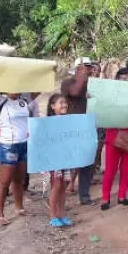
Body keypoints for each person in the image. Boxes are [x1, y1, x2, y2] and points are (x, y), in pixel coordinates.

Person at [0, 58, 36, 227]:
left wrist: (50, 71)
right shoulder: (0, 101)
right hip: (8, 146)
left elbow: (41, 87)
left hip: (23, 145)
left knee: (19, 180)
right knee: (3, 182)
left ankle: (19, 207)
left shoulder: (24, 100)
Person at [100, 68, 128, 210]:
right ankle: (105, 198)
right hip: (114, 136)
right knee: (110, 169)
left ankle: (122, 196)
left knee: (126, 169)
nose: (125, 81)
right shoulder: (110, 95)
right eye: (122, 78)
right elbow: (100, 106)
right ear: (116, 80)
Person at [61, 57, 97, 206]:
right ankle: (60, 195)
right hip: (71, 127)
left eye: (90, 67)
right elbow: (75, 92)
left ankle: (84, 195)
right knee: (68, 162)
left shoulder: (91, 84)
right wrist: (83, 77)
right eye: (86, 67)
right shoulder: (68, 83)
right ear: (79, 69)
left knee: (87, 162)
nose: (90, 69)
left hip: (87, 127)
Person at [45, 93, 75, 227]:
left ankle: (62, 214)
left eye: (65, 103)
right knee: (56, 186)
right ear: (52, 106)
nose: (64, 105)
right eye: (60, 103)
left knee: (63, 186)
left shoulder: (69, 120)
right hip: (54, 159)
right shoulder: (48, 123)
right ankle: (53, 215)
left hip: (66, 158)